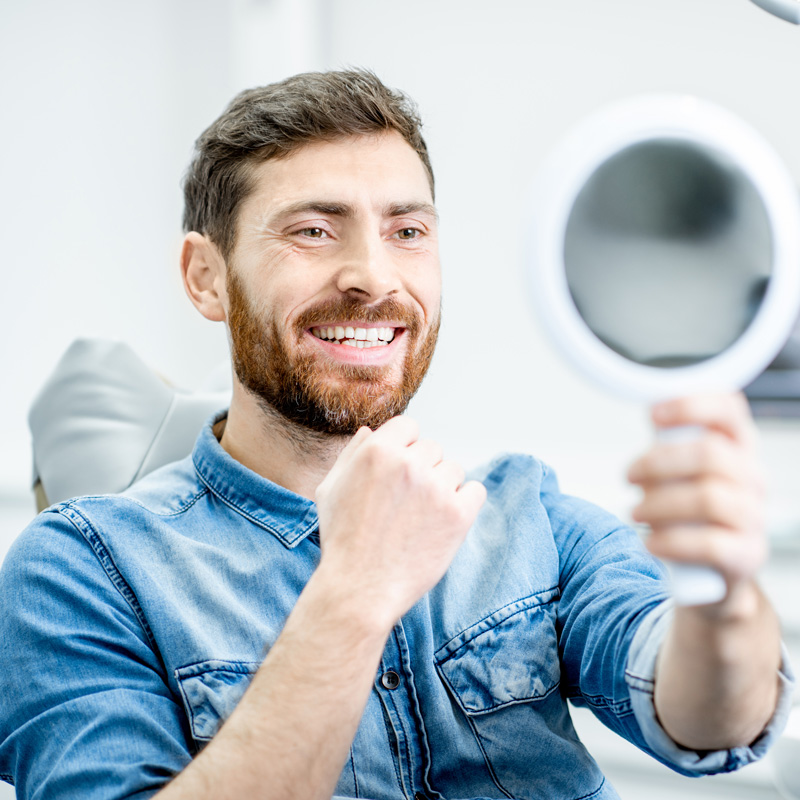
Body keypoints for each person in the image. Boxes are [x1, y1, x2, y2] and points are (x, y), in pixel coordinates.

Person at [0, 69, 793, 800]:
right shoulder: (80, 569)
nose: (373, 276)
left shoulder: (528, 516)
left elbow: (713, 722)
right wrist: (355, 589)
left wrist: (720, 597)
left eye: (407, 231)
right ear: (206, 277)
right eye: (314, 230)